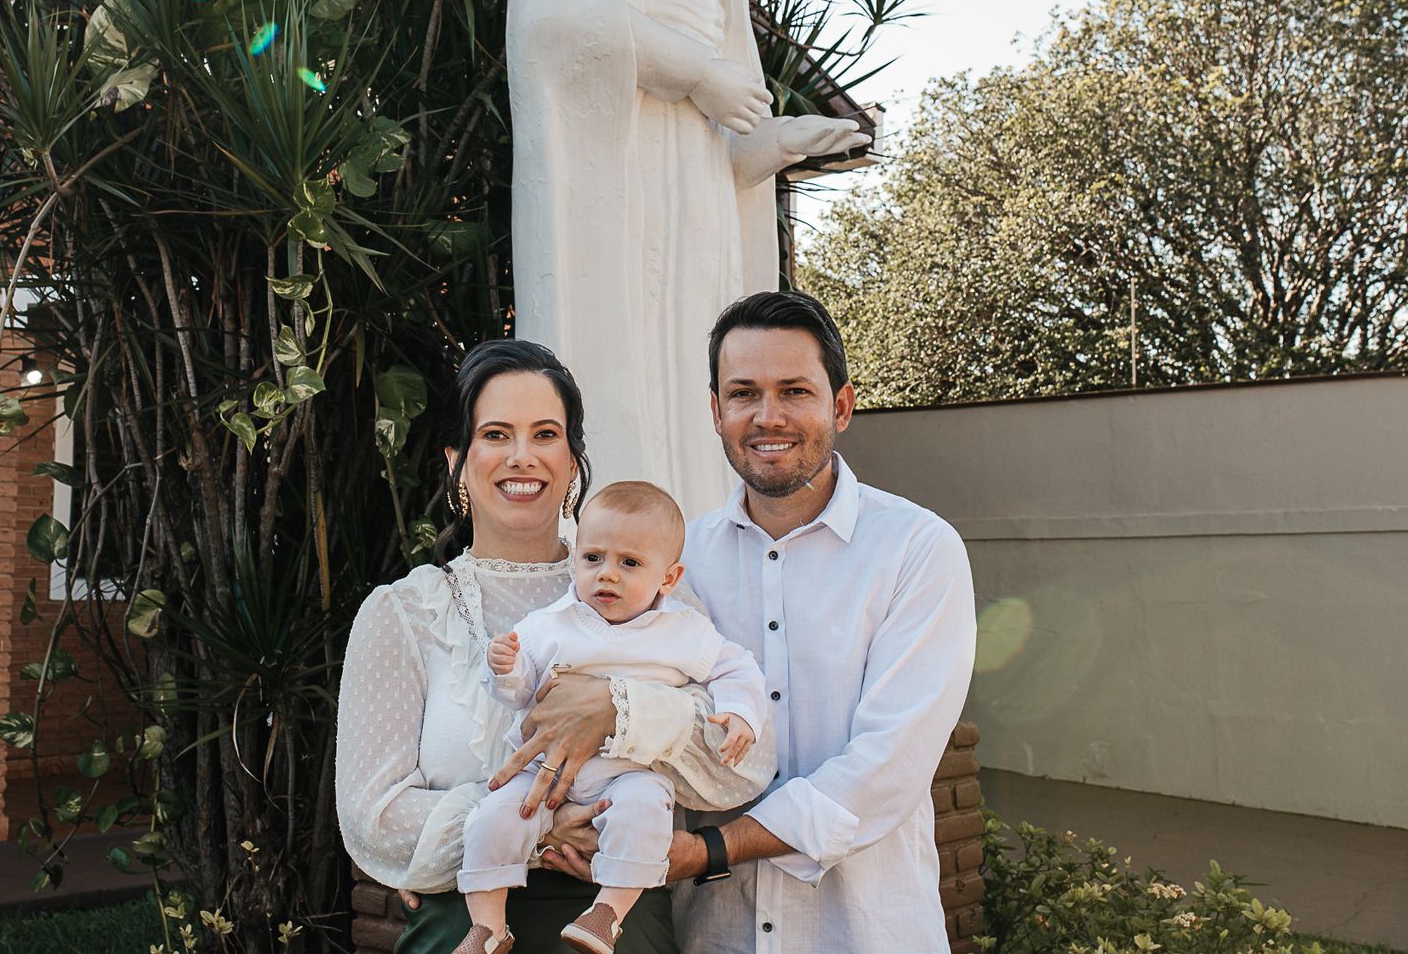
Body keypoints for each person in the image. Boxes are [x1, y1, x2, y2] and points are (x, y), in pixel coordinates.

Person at [516, 292, 977, 952]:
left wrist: (706, 849)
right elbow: (635, 724)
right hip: (714, 936)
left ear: (841, 405)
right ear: (716, 410)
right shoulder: (675, 563)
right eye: (743, 393)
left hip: (865, 932)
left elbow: (885, 771)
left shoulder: (916, 549)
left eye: (794, 390)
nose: (768, 416)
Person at [508, 0, 869, 519]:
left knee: (698, 361)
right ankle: (614, 562)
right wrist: (695, 73)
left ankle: (696, 573)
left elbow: (730, 85)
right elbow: (554, 17)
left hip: (702, 179)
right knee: (622, 359)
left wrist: (771, 141)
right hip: (614, 157)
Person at [336, 341, 772, 954]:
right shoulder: (404, 613)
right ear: (457, 461)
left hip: (620, 930)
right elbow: (372, 823)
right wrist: (540, 830)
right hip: (461, 933)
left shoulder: (654, 597)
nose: (522, 456)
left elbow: (745, 766)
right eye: (495, 434)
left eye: (545, 434)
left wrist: (620, 710)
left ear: (573, 462)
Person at [456, 482, 768, 954]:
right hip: (543, 776)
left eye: (630, 563)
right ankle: (487, 927)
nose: (608, 575)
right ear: (576, 558)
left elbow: (735, 665)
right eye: (593, 558)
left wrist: (741, 711)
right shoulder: (549, 623)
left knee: (646, 813)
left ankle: (607, 914)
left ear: (668, 577)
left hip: (629, 773)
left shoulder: (681, 629)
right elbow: (520, 696)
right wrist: (505, 668)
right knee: (492, 816)